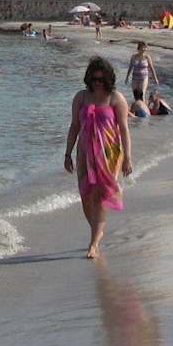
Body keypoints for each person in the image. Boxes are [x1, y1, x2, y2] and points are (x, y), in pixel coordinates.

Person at [65, 56, 133, 259]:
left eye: (101, 79)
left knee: (100, 195)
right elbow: (74, 126)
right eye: (94, 79)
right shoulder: (81, 97)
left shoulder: (116, 98)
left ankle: (93, 243)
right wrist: (67, 153)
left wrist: (128, 157)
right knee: (86, 195)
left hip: (109, 152)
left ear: (108, 79)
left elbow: (124, 129)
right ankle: (97, 230)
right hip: (84, 152)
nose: (98, 83)